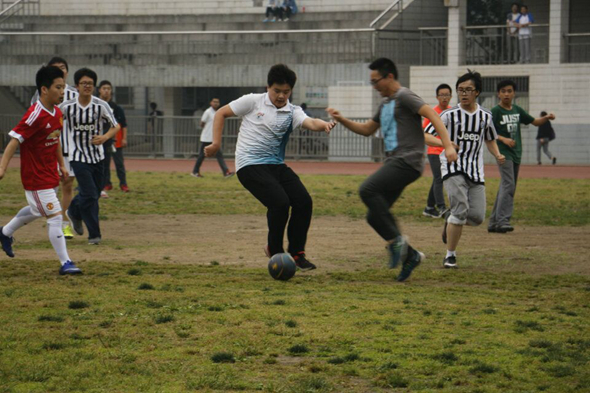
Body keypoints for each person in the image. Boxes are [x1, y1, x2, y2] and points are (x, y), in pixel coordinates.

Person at [327, 58, 457, 282]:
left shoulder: (404, 96)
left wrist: (447, 145)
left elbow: (432, 115)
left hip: (408, 161)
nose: (374, 86)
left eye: (376, 81)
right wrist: (342, 119)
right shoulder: (386, 103)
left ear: (389, 77)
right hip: (394, 163)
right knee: (374, 216)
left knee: (366, 190)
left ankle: (398, 242)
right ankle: (411, 256)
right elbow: (367, 129)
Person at [205, 64, 335, 271]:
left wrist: (324, 125)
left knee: (303, 201)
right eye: (277, 91)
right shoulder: (252, 101)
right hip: (249, 165)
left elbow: (310, 122)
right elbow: (220, 114)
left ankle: (297, 253)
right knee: (280, 203)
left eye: (286, 92)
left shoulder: (292, 111)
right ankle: (275, 251)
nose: (281, 96)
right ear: (268, 87)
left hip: (276, 166)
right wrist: (216, 144)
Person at [0, 65, 81, 275]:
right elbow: (14, 140)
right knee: (54, 215)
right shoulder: (34, 114)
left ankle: (5, 232)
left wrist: (61, 164)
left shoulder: (57, 112)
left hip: (49, 173)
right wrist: (2, 167)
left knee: (38, 210)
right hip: (35, 177)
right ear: (44, 89)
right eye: (58, 87)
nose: (63, 92)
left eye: (64, 87)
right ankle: (66, 263)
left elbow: (55, 138)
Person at [426, 70, 505, 269]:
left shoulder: (485, 115)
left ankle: (451, 221)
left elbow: (489, 138)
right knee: (461, 211)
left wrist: (497, 154)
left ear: (477, 92)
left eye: (468, 90)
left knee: (477, 217)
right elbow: (425, 135)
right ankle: (450, 255)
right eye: (460, 90)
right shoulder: (448, 115)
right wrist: (446, 144)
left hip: (476, 171)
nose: (464, 93)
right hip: (453, 167)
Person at [62, 68, 120, 245]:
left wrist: (104, 137)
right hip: (77, 156)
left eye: (90, 84)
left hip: (98, 157)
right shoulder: (67, 107)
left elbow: (115, 126)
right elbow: (52, 123)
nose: (87, 86)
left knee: (93, 195)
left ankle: (74, 212)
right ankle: (94, 235)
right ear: (77, 86)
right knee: (89, 193)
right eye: (83, 83)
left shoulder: (100, 105)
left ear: (94, 87)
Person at [488, 80, 555, 233]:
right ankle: (503, 221)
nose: (506, 94)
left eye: (509, 91)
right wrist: (503, 139)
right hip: (502, 153)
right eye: (503, 91)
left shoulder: (517, 110)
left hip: (516, 153)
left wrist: (547, 118)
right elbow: (488, 132)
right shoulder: (495, 111)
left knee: (506, 185)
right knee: (509, 185)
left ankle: (493, 222)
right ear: (498, 93)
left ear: (514, 93)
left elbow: (535, 122)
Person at [31, 57, 79, 240]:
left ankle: (64, 225)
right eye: (56, 69)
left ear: (67, 71)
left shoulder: (75, 94)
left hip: (69, 149)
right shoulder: (39, 95)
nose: (61, 71)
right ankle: (54, 220)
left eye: (63, 68)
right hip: (47, 148)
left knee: (68, 185)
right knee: (50, 189)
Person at [422, 83, 452, 219]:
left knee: (437, 179)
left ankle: (429, 208)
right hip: (434, 151)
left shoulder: (452, 112)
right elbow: (424, 133)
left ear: (451, 96)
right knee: (440, 178)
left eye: (447, 95)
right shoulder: (432, 113)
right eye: (442, 95)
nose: (444, 98)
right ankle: (441, 207)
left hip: (447, 150)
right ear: (437, 97)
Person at [98, 80, 130, 195]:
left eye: (108, 88)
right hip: (102, 140)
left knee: (119, 163)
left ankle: (123, 183)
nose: (106, 91)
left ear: (111, 91)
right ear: (99, 90)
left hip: (115, 141)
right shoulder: (96, 106)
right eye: (104, 88)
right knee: (104, 164)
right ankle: (107, 183)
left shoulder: (116, 108)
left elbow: (123, 125)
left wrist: (124, 138)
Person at [191, 98, 234, 178]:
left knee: (218, 155)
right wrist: (208, 130)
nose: (216, 103)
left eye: (217, 102)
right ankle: (195, 172)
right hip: (206, 138)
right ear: (211, 103)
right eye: (214, 102)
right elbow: (202, 123)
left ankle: (225, 172)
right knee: (202, 156)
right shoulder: (208, 112)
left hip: (213, 138)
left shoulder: (217, 112)